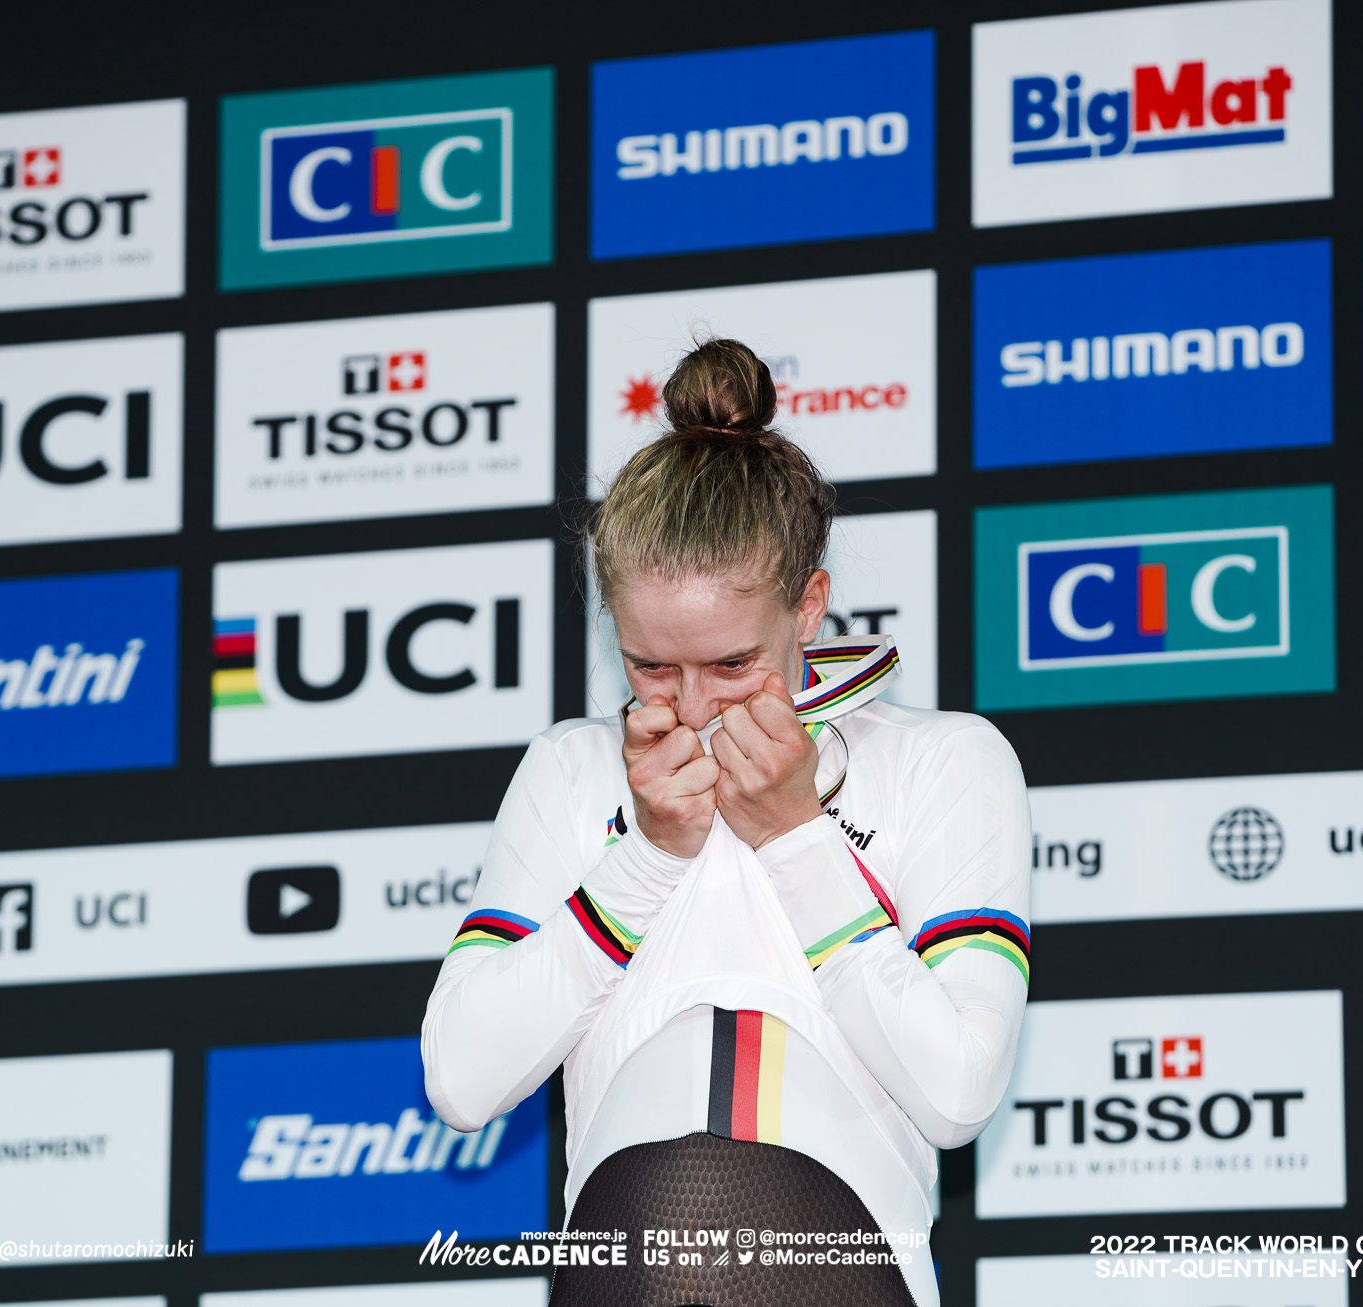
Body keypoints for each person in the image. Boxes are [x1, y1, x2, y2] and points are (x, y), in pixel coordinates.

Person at [421, 338, 1031, 1307]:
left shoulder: (939, 759)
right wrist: (645, 860)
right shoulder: (571, 770)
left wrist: (794, 835)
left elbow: (956, 1091)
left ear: (811, 604)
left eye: (734, 663)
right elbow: (462, 1080)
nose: (695, 706)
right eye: (652, 667)